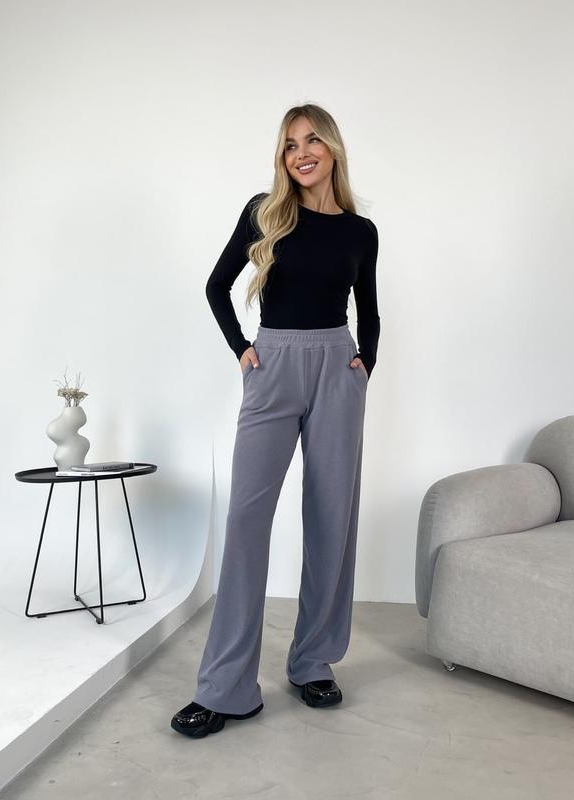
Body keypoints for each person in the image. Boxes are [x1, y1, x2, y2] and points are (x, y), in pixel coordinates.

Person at [171, 103, 380, 739]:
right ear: (282, 157)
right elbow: (216, 286)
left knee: (331, 514)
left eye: (312, 140)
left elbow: (369, 308)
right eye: (290, 144)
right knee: (246, 517)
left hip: (337, 367)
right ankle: (226, 688)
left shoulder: (360, 231)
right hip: (273, 362)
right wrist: (243, 349)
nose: (301, 153)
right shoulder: (264, 212)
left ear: (333, 148)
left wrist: (364, 362)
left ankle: (313, 662)